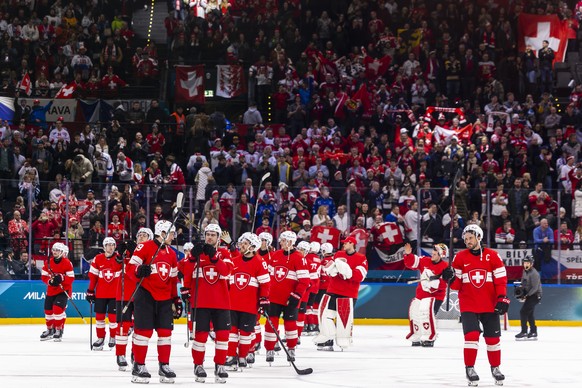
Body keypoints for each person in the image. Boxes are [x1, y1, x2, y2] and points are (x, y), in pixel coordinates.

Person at [444, 224, 509, 386]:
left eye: (470, 238)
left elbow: (500, 280)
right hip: (469, 305)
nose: (467, 241)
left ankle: (495, 368)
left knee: (493, 339)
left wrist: (502, 298)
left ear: (479, 237)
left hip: (490, 305)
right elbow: (456, 286)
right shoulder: (459, 258)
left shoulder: (493, 256)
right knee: (471, 337)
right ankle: (470, 368)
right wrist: (450, 278)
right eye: (465, 239)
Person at [127, 220, 181, 384]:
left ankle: (164, 365)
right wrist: (139, 270)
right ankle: (139, 365)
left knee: (165, 334)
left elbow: (172, 280)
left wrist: (176, 298)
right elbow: (130, 269)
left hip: (164, 298)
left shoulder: (172, 253)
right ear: (163, 233)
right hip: (146, 295)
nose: (173, 236)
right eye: (171, 233)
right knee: (143, 333)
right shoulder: (145, 247)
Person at [181, 223, 234, 384]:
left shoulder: (224, 253)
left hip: (222, 302)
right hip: (201, 302)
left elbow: (226, 271)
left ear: (218, 238)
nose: (210, 237)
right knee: (200, 336)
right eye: (208, 234)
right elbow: (186, 271)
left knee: (223, 336)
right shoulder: (196, 253)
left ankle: (220, 365)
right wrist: (191, 258)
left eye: (213, 234)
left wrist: (214, 257)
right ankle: (198, 365)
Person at [313, 236, 368, 351]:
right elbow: (329, 269)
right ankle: (328, 340)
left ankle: (343, 341)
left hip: (349, 294)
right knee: (326, 316)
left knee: (343, 319)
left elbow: (360, 276)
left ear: (352, 243)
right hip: (333, 290)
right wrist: (332, 270)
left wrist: (346, 272)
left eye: (345, 243)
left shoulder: (361, 258)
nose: (343, 245)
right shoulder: (338, 254)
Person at [226, 232, 270, 371]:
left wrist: (264, 300)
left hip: (249, 306)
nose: (241, 246)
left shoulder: (259, 262)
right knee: (232, 332)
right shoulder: (235, 260)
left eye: (245, 243)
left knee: (245, 333)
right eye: (241, 243)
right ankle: (231, 356)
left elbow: (265, 284)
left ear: (252, 247)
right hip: (232, 304)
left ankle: (243, 356)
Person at [264, 230, 309, 364]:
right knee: (270, 324)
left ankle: (291, 348)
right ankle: (270, 348)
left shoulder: (299, 257)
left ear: (290, 241)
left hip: (291, 299)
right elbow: (269, 275)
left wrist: (296, 296)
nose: (281, 242)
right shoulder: (276, 255)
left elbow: (305, 280)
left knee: (290, 325)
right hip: (274, 298)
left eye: (283, 240)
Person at [115, 227, 153, 371]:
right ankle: (120, 354)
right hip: (124, 293)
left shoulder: (151, 253)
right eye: (139, 235)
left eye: (145, 235)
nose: (141, 237)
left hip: (141, 294)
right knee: (123, 326)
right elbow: (116, 263)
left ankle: (135, 353)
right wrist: (120, 252)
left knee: (139, 327)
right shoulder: (127, 251)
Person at [403, 242, 450, 347]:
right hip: (420, 295)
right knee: (414, 313)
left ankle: (429, 337)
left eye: (436, 252)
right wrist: (408, 254)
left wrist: (431, 283)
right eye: (433, 250)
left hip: (435, 297)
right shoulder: (425, 260)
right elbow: (412, 263)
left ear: (441, 254)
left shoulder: (445, 267)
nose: (432, 253)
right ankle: (417, 335)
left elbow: (443, 285)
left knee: (426, 314)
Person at [86, 237, 122, 350]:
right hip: (101, 294)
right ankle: (100, 338)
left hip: (114, 294)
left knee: (112, 318)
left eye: (112, 245)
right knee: (99, 317)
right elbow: (93, 277)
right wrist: (90, 291)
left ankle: (113, 337)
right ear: (104, 246)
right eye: (108, 245)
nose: (110, 247)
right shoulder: (98, 259)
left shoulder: (119, 259)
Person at [40, 242, 74, 341]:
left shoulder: (67, 263)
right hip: (51, 291)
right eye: (54, 250)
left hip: (62, 291)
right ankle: (50, 329)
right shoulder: (49, 262)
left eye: (57, 250)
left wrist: (62, 278)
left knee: (58, 310)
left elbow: (71, 278)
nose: (55, 252)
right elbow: (44, 276)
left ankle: (58, 330)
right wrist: (49, 281)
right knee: (48, 311)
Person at [514, 256, 542, 340]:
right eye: (524, 263)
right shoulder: (524, 271)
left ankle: (524, 332)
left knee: (523, 311)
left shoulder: (534, 273)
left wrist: (526, 295)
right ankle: (533, 332)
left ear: (531, 264)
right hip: (529, 294)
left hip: (535, 295)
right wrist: (521, 292)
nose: (525, 264)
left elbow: (535, 288)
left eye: (527, 263)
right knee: (529, 313)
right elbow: (523, 283)